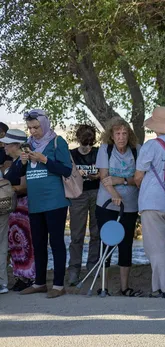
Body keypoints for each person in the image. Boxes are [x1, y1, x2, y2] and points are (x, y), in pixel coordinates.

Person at [19, 109, 72, 298]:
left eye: (36, 127)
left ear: (45, 124)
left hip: (55, 201)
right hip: (35, 202)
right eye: (30, 128)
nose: (33, 131)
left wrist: (44, 159)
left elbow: (66, 170)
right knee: (38, 243)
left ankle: (58, 285)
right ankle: (39, 282)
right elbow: (14, 175)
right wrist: (21, 162)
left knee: (56, 242)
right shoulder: (28, 145)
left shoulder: (58, 142)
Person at [134, 107, 165, 298]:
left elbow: (138, 175)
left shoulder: (151, 145)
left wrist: (143, 188)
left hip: (153, 202)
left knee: (156, 247)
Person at [96, 117, 142, 297]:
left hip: (130, 206)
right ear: (112, 136)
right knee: (106, 244)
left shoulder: (136, 150)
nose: (121, 137)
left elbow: (138, 179)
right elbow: (104, 177)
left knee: (126, 244)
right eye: (118, 134)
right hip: (106, 204)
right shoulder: (105, 150)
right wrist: (114, 193)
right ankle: (103, 286)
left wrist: (121, 180)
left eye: (124, 133)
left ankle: (125, 288)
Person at [1, 129, 35, 292]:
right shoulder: (14, 162)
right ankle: (20, 276)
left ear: (16, 145)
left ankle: (28, 276)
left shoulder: (23, 162)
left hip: (23, 206)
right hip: (14, 207)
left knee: (24, 242)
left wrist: (6, 188)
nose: (4, 146)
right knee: (16, 242)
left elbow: (24, 186)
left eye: (7, 144)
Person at [67, 124, 100, 286]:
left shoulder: (98, 152)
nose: (87, 147)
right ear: (78, 139)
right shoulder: (71, 154)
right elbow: (66, 173)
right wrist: (76, 173)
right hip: (77, 195)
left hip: (96, 193)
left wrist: (97, 175)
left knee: (96, 232)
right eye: (84, 143)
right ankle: (74, 270)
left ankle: (93, 267)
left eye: (89, 143)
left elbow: (104, 172)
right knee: (76, 234)